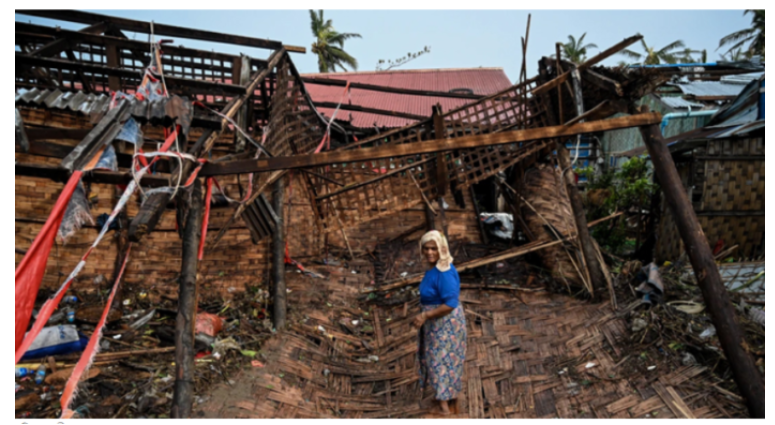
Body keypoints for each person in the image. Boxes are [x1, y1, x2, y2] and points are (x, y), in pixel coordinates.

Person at [412, 230, 467, 415]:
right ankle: (448, 397)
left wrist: (426, 315)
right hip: (436, 323)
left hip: (445, 324)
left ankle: (444, 408)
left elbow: (450, 303)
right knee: (441, 360)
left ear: (442, 249)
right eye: (426, 248)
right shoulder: (434, 268)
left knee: (440, 362)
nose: (429, 252)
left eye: (434, 249)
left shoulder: (444, 272)